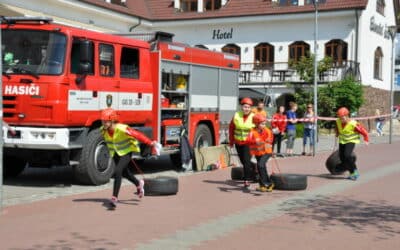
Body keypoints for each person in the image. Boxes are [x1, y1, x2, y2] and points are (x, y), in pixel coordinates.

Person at [101, 108, 158, 208]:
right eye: (103, 121)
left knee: (118, 171)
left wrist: (150, 142)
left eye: (106, 121)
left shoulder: (122, 128)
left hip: (126, 152)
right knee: (125, 173)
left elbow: (137, 134)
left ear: (112, 120)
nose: (104, 123)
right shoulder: (103, 130)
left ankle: (114, 198)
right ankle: (138, 184)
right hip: (116, 153)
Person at [335, 107, 369, 180]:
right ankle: (351, 173)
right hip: (342, 140)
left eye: (342, 118)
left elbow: (363, 131)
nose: (341, 119)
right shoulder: (338, 121)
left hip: (351, 140)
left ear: (347, 116)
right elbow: (338, 127)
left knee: (347, 155)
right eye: (340, 117)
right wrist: (337, 133)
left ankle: (354, 170)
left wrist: (366, 139)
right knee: (342, 157)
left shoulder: (353, 124)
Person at [229, 97, 255, 189]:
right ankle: (254, 169)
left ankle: (247, 180)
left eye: (248, 107)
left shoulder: (254, 117)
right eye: (245, 107)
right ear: (241, 107)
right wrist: (231, 141)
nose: (246, 109)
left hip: (249, 143)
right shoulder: (236, 115)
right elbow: (231, 128)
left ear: (250, 108)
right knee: (243, 161)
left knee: (246, 161)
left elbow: (259, 129)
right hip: (238, 142)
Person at [246, 114, 274, 192]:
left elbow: (270, 139)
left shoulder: (267, 131)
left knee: (260, 165)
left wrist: (268, 141)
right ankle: (265, 185)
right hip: (258, 152)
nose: (264, 125)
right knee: (261, 167)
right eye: (262, 124)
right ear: (256, 123)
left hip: (266, 152)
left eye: (264, 123)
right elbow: (247, 140)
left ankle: (267, 184)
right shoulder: (252, 131)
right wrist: (255, 141)